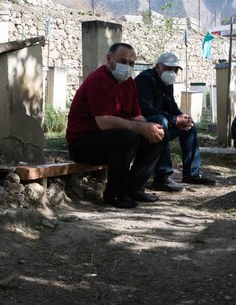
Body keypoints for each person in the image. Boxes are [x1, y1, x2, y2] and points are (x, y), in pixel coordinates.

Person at [66, 43, 166, 208]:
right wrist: (140, 128)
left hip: (110, 139)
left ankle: (135, 189)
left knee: (158, 134)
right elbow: (104, 122)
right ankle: (114, 194)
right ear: (109, 59)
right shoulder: (98, 80)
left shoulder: (130, 84)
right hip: (83, 143)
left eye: (131, 64)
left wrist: (148, 127)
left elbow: (136, 116)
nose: (127, 67)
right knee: (127, 137)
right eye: (123, 61)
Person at [135, 52, 216, 192]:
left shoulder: (167, 83)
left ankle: (192, 173)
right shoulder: (144, 80)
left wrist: (182, 117)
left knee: (189, 125)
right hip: (144, 127)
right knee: (161, 122)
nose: (172, 72)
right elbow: (145, 109)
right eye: (168, 68)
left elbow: (171, 107)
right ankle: (162, 176)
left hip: (163, 122)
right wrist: (173, 119)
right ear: (158, 67)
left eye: (175, 69)